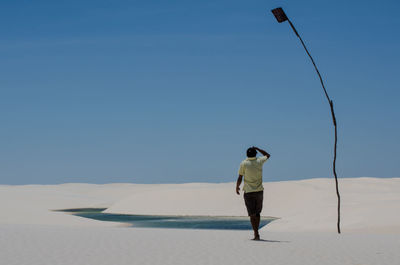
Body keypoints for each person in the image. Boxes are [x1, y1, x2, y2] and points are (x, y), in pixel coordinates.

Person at [236, 146, 271, 240]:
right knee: (258, 213)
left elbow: (240, 177)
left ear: (247, 154)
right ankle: (257, 233)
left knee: (252, 214)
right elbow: (268, 155)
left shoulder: (244, 163)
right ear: (255, 154)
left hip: (248, 192)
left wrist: (237, 187)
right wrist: (258, 149)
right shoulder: (259, 161)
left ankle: (256, 233)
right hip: (259, 191)